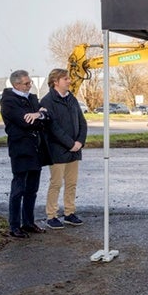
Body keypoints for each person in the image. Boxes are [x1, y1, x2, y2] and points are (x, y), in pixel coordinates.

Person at [0, 70, 52, 238]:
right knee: (18, 190)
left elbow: (48, 117)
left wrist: (39, 115)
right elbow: (25, 122)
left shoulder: (32, 98)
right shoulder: (8, 101)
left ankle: (28, 222)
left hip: (36, 149)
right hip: (20, 150)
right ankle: (14, 226)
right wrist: (40, 117)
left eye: (30, 82)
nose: (30, 85)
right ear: (16, 85)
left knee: (32, 189)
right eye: (27, 83)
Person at [40, 68, 87, 229]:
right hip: (57, 150)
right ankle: (51, 215)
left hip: (75, 150)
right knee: (56, 184)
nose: (69, 81)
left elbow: (82, 122)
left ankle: (69, 212)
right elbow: (53, 127)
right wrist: (70, 144)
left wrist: (80, 141)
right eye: (65, 79)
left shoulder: (71, 98)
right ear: (56, 82)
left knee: (72, 183)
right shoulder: (47, 101)